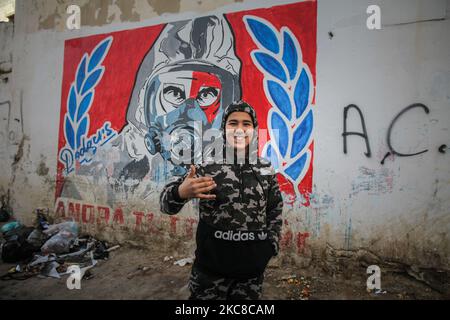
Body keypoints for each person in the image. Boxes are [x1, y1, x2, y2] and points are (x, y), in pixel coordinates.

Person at [160, 101, 283, 300]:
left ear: (254, 129)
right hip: (210, 273)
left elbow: (275, 208)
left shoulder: (265, 168)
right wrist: (180, 192)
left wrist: (271, 245)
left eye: (247, 124)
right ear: (224, 128)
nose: (240, 129)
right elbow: (166, 205)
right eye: (233, 123)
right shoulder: (206, 165)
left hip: (251, 274)